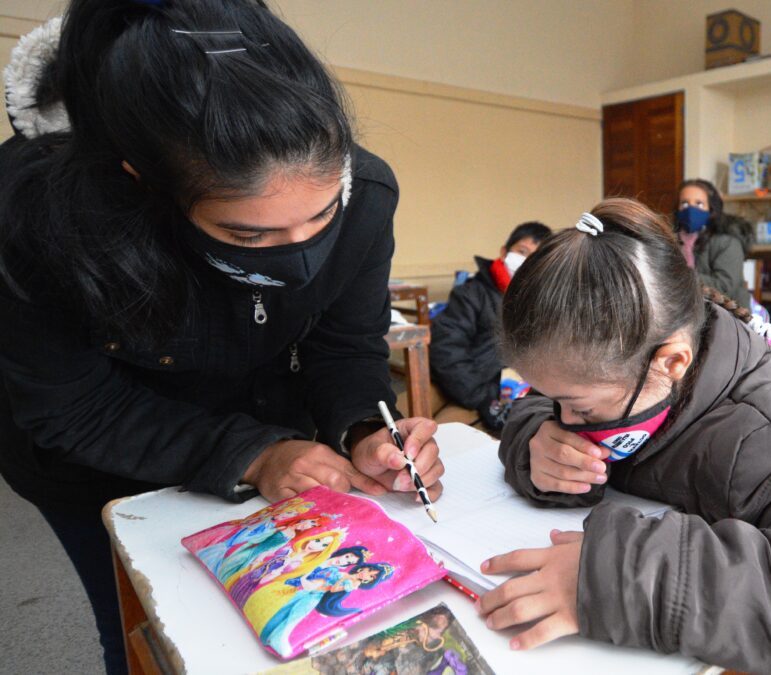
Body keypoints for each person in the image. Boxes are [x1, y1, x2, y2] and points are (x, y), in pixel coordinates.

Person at [0, 2, 443, 672]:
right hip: (96, 461)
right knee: (151, 634)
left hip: (274, 429)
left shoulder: (369, 191)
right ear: (143, 182)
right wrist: (252, 452)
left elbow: (345, 345)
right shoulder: (39, 212)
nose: (301, 256)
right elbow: (72, 406)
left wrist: (361, 426)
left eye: (322, 215)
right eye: (248, 235)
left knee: (298, 634)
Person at [475, 198, 771, 672]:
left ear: (672, 363)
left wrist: (623, 576)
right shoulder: (622, 363)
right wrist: (533, 438)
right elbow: (539, 401)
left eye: (579, 407)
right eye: (558, 403)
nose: (566, 422)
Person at [430, 221, 551, 431]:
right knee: (439, 438)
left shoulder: (544, 300)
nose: (525, 262)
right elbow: (447, 348)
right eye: (522, 252)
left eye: (535, 258)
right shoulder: (472, 293)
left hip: (522, 394)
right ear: (504, 252)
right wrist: (482, 398)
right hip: (470, 390)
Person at [673, 178, 753, 307]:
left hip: (726, 316)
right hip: (683, 312)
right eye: (684, 204)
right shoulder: (670, 240)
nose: (691, 210)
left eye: (699, 204)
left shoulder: (727, 242)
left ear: (711, 208)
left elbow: (724, 287)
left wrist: (679, 276)